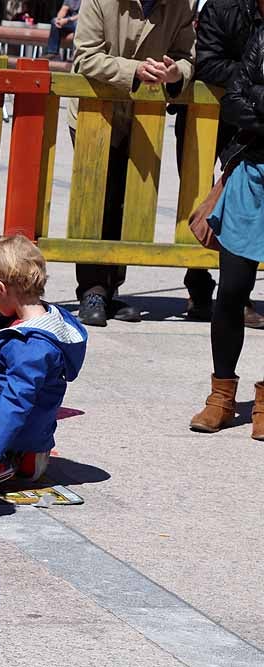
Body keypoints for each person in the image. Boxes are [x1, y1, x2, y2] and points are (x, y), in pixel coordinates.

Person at [69, 0, 196, 327]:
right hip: (95, 112)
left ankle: (110, 288)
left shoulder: (179, 5)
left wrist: (174, 72)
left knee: (126, 204)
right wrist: (134, 70)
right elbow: (85, 55)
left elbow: (188, 56)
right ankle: (92, 290)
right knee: (98, 201)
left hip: (143, 117)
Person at [0, 236, 88, 483]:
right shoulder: (43, 318)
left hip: (13, 440)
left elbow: (14, 403)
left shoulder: (32, 346)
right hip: (32, 436)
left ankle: (3, 463)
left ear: (2, 288)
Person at [189, 26, 264, 441]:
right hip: (249, 174)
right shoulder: (261, 40)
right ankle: (221, 395)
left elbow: (247, 97)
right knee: (232, 289)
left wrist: (257, 98)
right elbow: (233, 104)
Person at [174, 0, 264, 327]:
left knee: (245, 216)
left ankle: (238, 294)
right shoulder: (222, 7)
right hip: (205, 118)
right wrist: (257, 78)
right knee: (197, 201)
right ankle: (198, 285)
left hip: (250, 123)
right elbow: (207, 64)